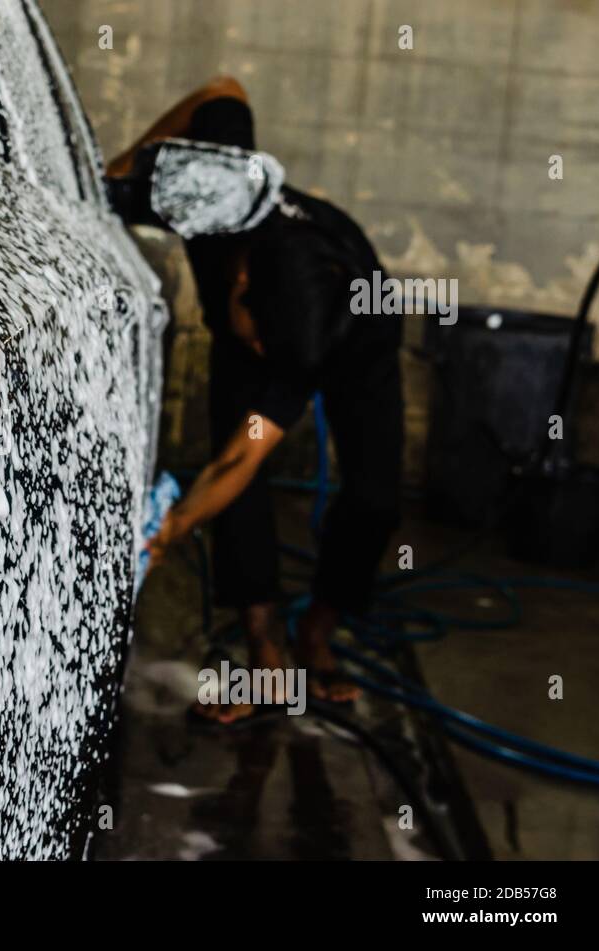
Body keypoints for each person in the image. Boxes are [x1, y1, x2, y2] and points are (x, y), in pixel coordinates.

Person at [110, 78, 404, 725]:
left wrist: (176, 526)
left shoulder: (293, 336)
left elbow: (249, 448)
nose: (262, 354)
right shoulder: (213, 188)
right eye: (260, 339)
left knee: (377, 495)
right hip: (288, 320)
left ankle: (317, 634)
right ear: (238, 280)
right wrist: (124, 165)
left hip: (363, 328)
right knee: (238, 486)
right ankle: (269, 662)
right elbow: (224, 89)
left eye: (272, 349)